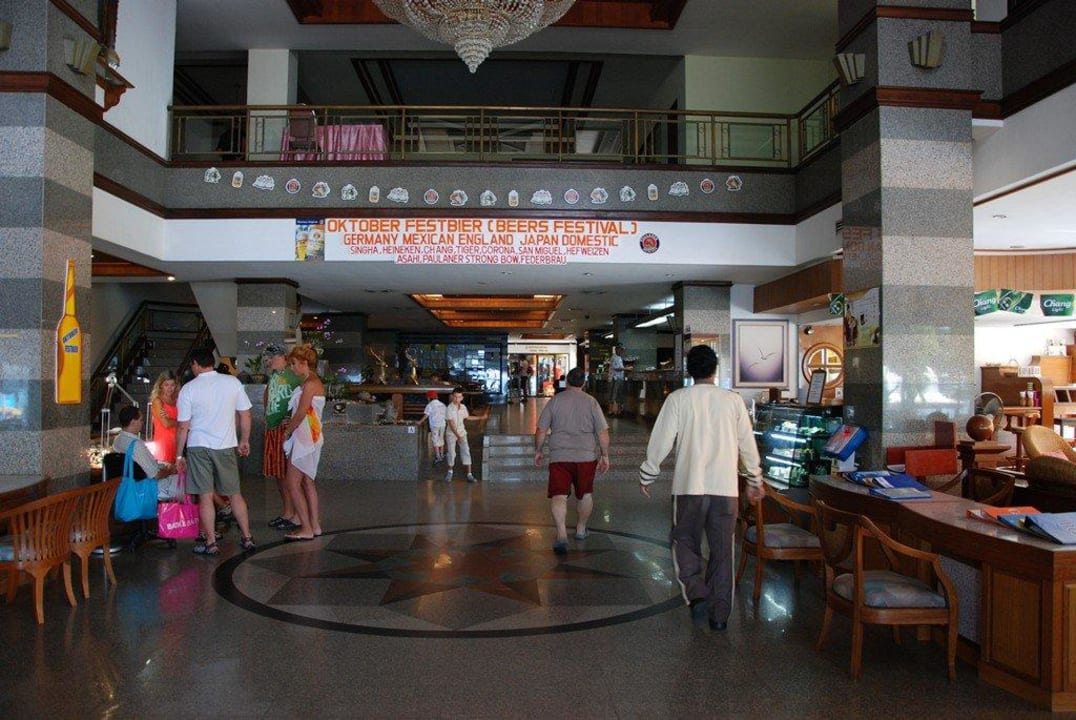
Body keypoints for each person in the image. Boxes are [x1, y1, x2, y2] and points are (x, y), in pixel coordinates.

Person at [638, 345, 764, 631]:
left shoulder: (679, 399)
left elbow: (661, 440)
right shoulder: (733, 401)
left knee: (684, 541)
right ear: (714, 369)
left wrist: (648, 473)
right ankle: (719, 617)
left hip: (688, 488)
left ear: (689, 370)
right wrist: (754, 480)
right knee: (722, 552)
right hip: (726, 490)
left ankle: (696, 595)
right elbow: (747, 443)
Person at [174, 348, 256, 556]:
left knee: (205, 495)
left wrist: (178, 455)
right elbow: (245, 414)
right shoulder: (232, 383)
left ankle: (211, 542)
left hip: (198, 446)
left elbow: (183, 426)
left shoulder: (189, 389)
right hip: (225, 444)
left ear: (195, 364)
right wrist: (244, 440)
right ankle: (247, 537)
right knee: (234, 494)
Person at [534, 367, 610, 555]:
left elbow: (541, 430)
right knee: (585, 494)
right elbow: (602, 432)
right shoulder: (591, 402)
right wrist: (605, 455)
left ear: (566, 381)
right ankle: (581, 529)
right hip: (585, 456)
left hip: (560, 456)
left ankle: (561, 534)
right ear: (583, 383)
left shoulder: (555, 401)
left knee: (559, 495)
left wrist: (538, 450)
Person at [281, 344, 326, 541]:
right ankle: (314, 526)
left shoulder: (309, 384)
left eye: (294, 364)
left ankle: (306, 528)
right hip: (310, 435)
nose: (292, 368)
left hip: (305, 437)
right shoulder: (312, 381)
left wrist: (288, 431)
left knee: (292, 484)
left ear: (304, 363)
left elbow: (301, 413)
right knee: (308, 482)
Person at [262, 343, 303, 531]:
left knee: (288, 475)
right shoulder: (275, 376)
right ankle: (287, 512)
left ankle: (295, 514)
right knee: (278, 474)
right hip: (273, 426)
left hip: (285, 429)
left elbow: (303, 400)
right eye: (269, 358)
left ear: (285, 358)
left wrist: (291, 421)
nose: (270, 361)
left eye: (274, 357)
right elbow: (267, 395)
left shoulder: (294, 375)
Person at [112, 405, 181, 501]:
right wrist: (171, 470)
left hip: (127, 484)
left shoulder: (117, 440)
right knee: (187, 482)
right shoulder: (136, 445)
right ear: (133, 422)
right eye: (141, 420)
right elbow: (155, 475)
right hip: (147, 487)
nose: (142, 423)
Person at [445, 387, 477, 483]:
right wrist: (457, 436)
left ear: (462, 398)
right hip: (451, 434)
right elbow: (451, 424)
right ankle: (450, 471)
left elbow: (467, 417)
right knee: (451, 452)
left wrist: (480, 417)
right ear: (452, 397)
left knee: (466, 450)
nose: (456, 399)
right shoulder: (449, 408)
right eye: (455, 397)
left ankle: (469, 474)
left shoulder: (463, 407)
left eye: (459, 397)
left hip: (462, 432)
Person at [149, 371, 179, 463]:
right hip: (163, 443)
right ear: (161, 385)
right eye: (166, 385)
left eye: (172, 385)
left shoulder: (177, 399)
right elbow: (166, 423)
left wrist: (173, 421)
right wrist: (181, 423)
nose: (170, 388)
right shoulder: (158, 401)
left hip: (178, 441)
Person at [421, 390, 447, 465]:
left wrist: (420, 422)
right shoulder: (442, 404)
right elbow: (446, 415)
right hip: (442, 424)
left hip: (434, 425)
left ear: (429, 398)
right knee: (441, 439)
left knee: (435, 440)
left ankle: (438, 456)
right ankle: (442, 454)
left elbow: (426, 416)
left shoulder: (429, 405)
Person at [608, 345, 626, 415]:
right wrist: (626, 369)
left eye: (622, 350)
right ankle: (612, 411)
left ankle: (618, 411)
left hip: (619, 378)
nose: (622, 351)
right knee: (613, 395)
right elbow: (616, 368)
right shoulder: (614, 358)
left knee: (618, 395)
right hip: (615, 378)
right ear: (616, 350)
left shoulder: (619, 358)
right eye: (621, 350)